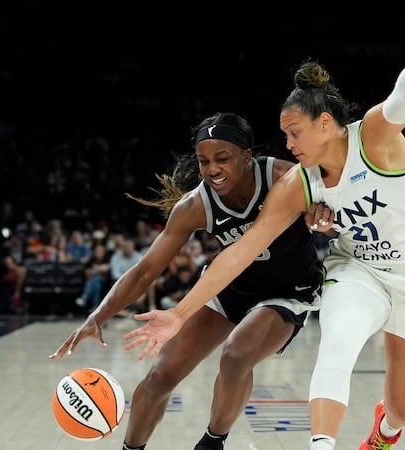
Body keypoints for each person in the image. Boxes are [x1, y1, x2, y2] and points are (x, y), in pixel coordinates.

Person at [122, 17, 405, 450]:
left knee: (404, 408)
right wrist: (179, 314)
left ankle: (386, 430)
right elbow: (240, 251)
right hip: (359, 270)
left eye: (293, 132)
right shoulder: (298, 182)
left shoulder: (375, 138)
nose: (287, 144)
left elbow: (404, 98)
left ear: (325, 123)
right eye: (284, 135)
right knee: (336, 342)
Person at [49, 112, 325, 450]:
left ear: (246, 156)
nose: (211, 169)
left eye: (222, 159)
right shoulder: (196, 204)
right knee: (160, 376)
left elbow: (337, 212)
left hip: (288, 291)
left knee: (237, 354)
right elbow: (144, 271)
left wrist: (322, 213)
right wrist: (98, 317)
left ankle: (211, 443)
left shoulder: (286, 177)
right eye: (204, 161)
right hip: (229, 288)